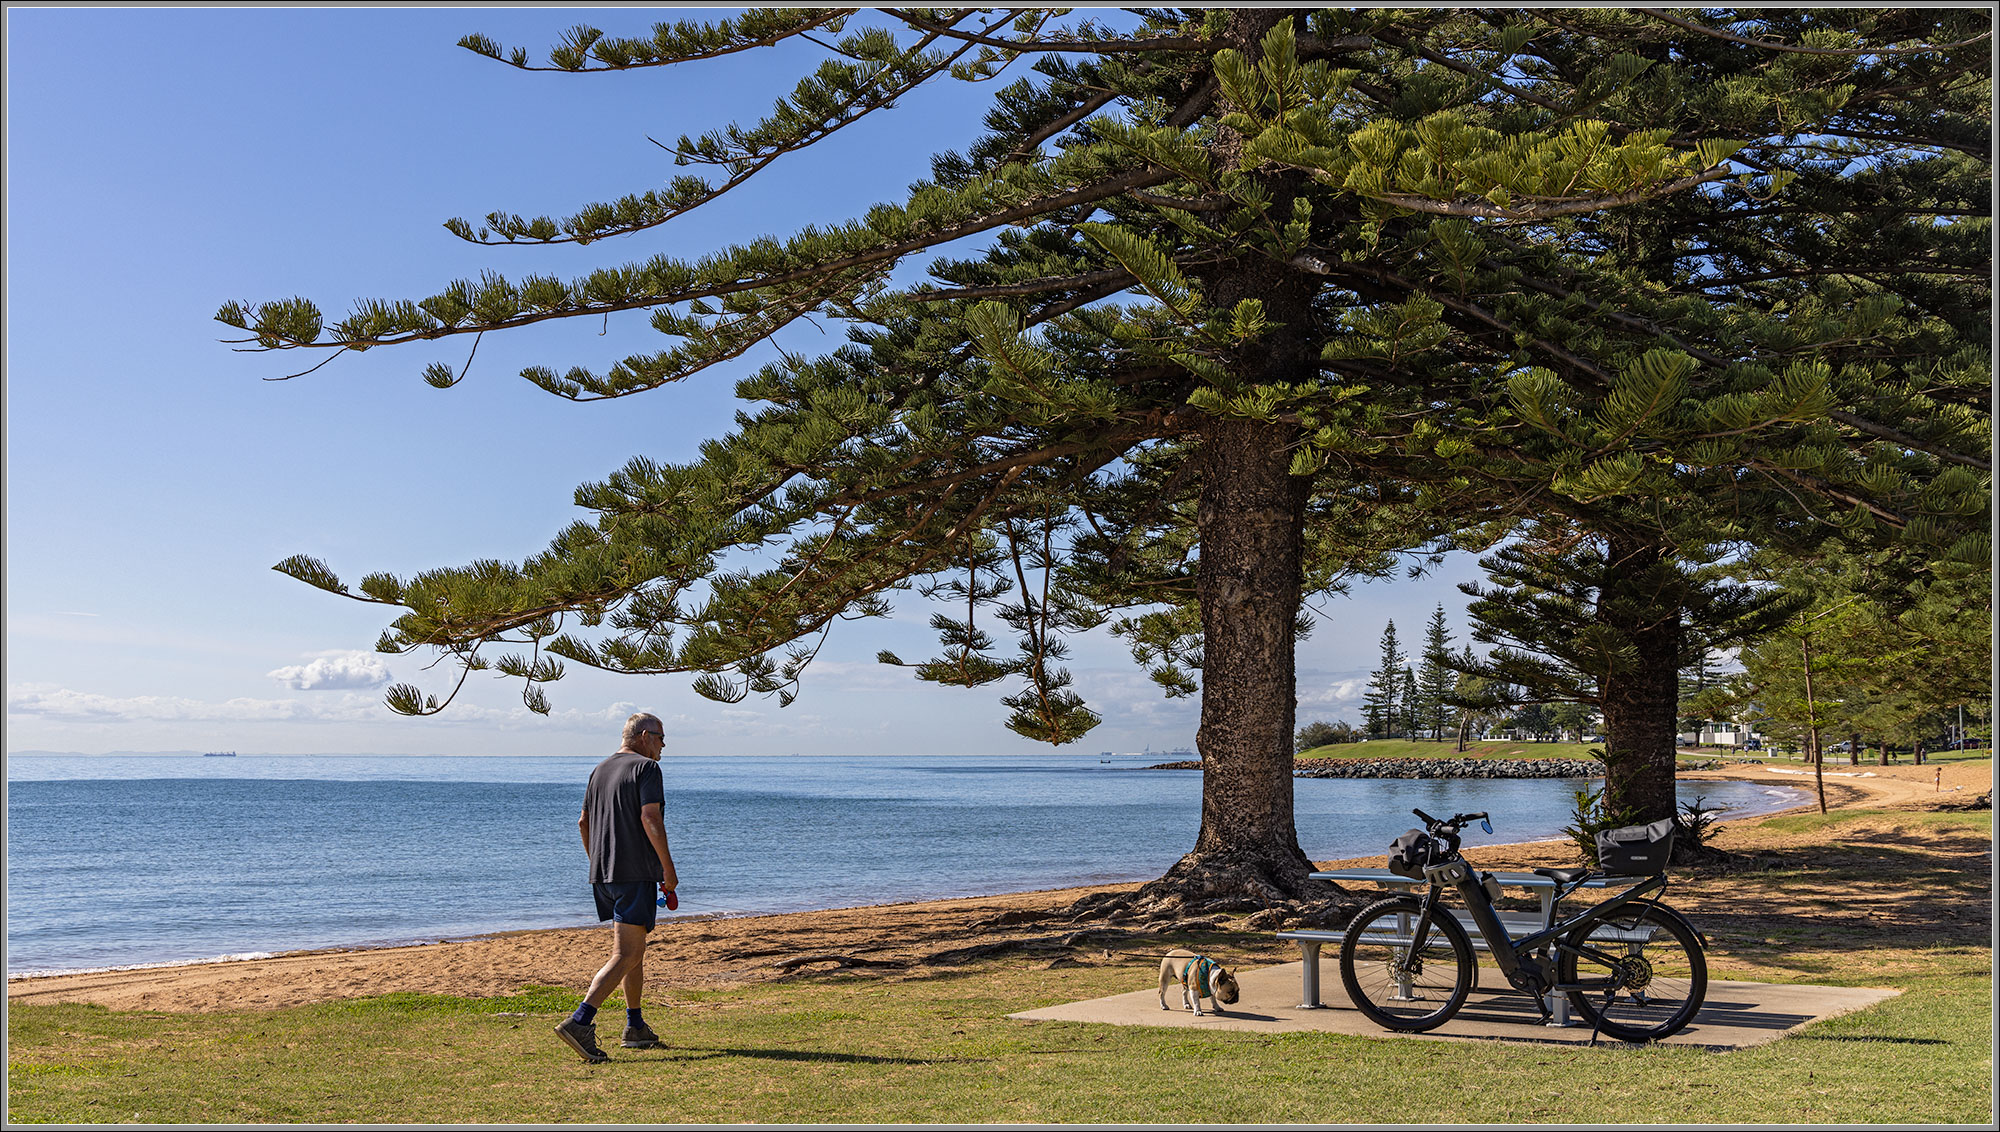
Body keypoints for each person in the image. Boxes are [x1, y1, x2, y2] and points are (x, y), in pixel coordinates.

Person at [554, 712, 680, 1063]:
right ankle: (580, 1021)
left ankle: (635, 1026)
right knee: (625, 954)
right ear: (643, 736)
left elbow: (584, 822)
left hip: (604, 875)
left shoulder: (600, 771)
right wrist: (668, 869)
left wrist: (597, 862)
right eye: (660, 737)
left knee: (633, 950)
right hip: (635, 873)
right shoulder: (647, 769)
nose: (663, 745)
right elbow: (650, 817)